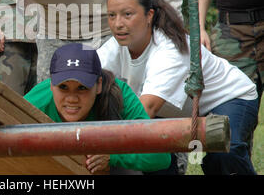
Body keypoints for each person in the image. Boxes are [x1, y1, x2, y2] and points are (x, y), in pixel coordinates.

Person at [97, 0, 259, 175]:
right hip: (175, 110)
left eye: (127, 14)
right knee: (155, 160)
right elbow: (85, 77)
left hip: (230, 97)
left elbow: (146, 110)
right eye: (112, 15)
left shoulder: (170, 49)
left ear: (149, 15)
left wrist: (102, 145)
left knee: (225, 152)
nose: (118, 24)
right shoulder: (116, 45)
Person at [24, 42, 171, 174]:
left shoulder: (121, 96)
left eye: (82, 88)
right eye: (63, 87)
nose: (72, 98)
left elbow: (161, 156)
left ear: (99, 84)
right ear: (51, 85)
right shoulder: (36, 103)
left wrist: (113, 156)